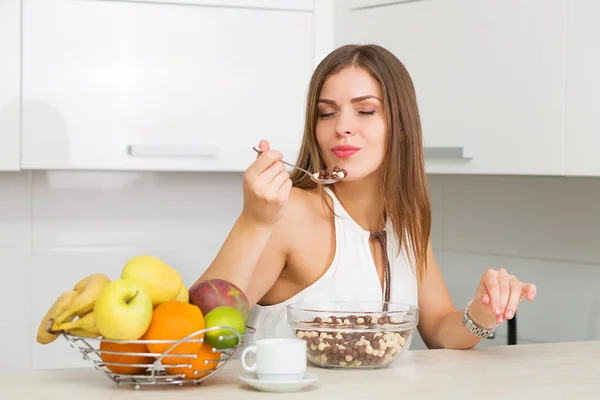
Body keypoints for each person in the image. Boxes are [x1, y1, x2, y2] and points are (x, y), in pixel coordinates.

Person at [195, 44, 537, 349]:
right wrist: (254, 221)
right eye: (326, 112)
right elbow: (195, 334)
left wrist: (482, 312)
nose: (342, 126)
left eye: (366, 110)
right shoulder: (292, 213)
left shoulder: (407, 220)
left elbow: (439, 330)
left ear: (400, 126)